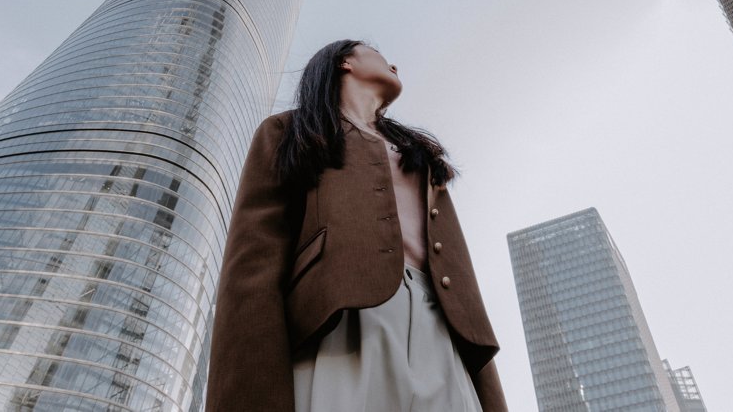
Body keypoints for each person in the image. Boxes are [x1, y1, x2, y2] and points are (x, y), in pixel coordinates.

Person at [205, 39, 507, 412]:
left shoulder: (421, 156)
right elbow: (252, 263)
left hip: (442, 328)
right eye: (377, 53)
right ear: (345, 61)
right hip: (340, 325)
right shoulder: (289, 131)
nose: (393, 63)